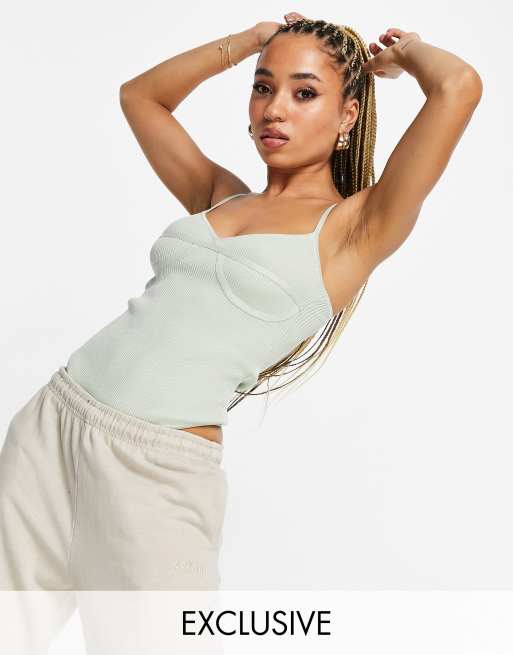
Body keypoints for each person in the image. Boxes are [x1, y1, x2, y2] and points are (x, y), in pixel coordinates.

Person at [0, 11, 482, 650]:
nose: (274, 109)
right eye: (263, 87)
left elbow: (458, 86)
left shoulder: (355, 231)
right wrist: (253, 42)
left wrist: (403, 53)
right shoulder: (220, 196)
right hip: (54, 421)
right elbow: (140, 97)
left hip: (156, 469)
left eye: (304, 93)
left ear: (348, 115)